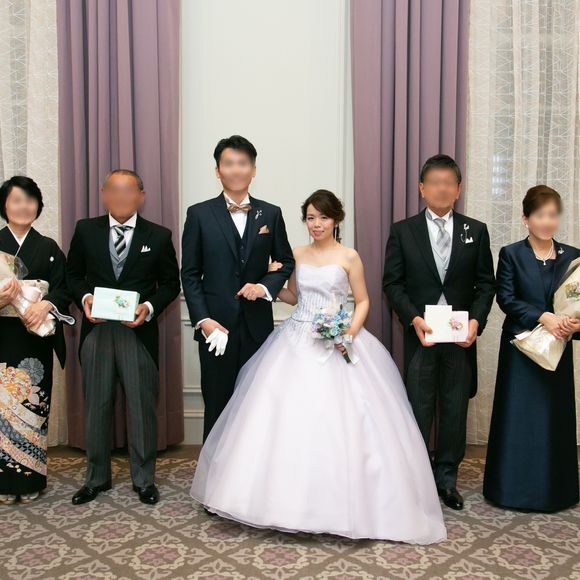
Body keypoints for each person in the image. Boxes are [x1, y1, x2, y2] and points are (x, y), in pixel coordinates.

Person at [190, 190, 447, 544]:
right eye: (311, 218)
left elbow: (363, 300)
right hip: (296, 337)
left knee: (344, 420)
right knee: (283, 417)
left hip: (339, 339)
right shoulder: (296, 255)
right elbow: (294, 296)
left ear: (336, 219)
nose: (316, 224)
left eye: (323, 217)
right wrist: (266, 283)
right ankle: (280, 503)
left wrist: (349, 333)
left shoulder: (349, 256)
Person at [383, 154, 495, 511]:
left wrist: (476, 322)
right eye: (434, 182)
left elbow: (486, 285)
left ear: (458, 189)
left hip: (460, 340)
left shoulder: (475, 230)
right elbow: (392, 283)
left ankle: (447, 479)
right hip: (422, 336)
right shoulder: (403, 231)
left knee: (454, 410)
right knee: (418, 409)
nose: (441, 188)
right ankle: (416, 479)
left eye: (449, 183)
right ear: (422, 188)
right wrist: (413, 318)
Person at [66, 169, 180, 505]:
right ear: (103, 194)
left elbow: (170, 284)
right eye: (113, 190)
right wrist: (85, 298)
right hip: (97, 331)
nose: (120, 197)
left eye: (128, 190)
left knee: (141, 407)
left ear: (141, 196)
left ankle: (143, 480)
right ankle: (96, 478)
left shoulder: (158, 235)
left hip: (137, 333)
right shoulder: (86, 230)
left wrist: (148, 307)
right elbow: (73, 275)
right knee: (96, 405)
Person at [181, 135, 294, 442]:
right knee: (217, 402)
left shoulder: (270, 213)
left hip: (257, 326)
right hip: (216, 328)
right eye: (228, 163)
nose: (236, 170)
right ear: (217, 170)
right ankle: (214, 467)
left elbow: (285, 261)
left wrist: (264, 287)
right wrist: (204, 321)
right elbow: (190, 274)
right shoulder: (198, 214)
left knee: (257, 404)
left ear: (253, 170)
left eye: (242, 163)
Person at [484, 185, 579, 512]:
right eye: (539, 215)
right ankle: (509, 490)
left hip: (558, 349)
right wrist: (543, 317)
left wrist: (573, 324)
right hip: (521, 350)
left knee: (553, 419)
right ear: (525, 218)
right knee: (518, 418)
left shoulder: (573, 257)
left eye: (552, 215)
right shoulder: (511, 254)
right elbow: (506, 298)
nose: (546, 221)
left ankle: (556, 492)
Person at [0, 176, 71, 504]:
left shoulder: (49, 247)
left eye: (30, 201)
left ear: (38, 206)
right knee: (3, 409)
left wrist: (47, 304)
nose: (23, 207)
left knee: (33, 406)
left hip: (34, 338)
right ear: (4, 206)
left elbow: (64, 287)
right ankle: (4, 482)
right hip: (3, 336)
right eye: (16, 200)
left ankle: (30, 479)